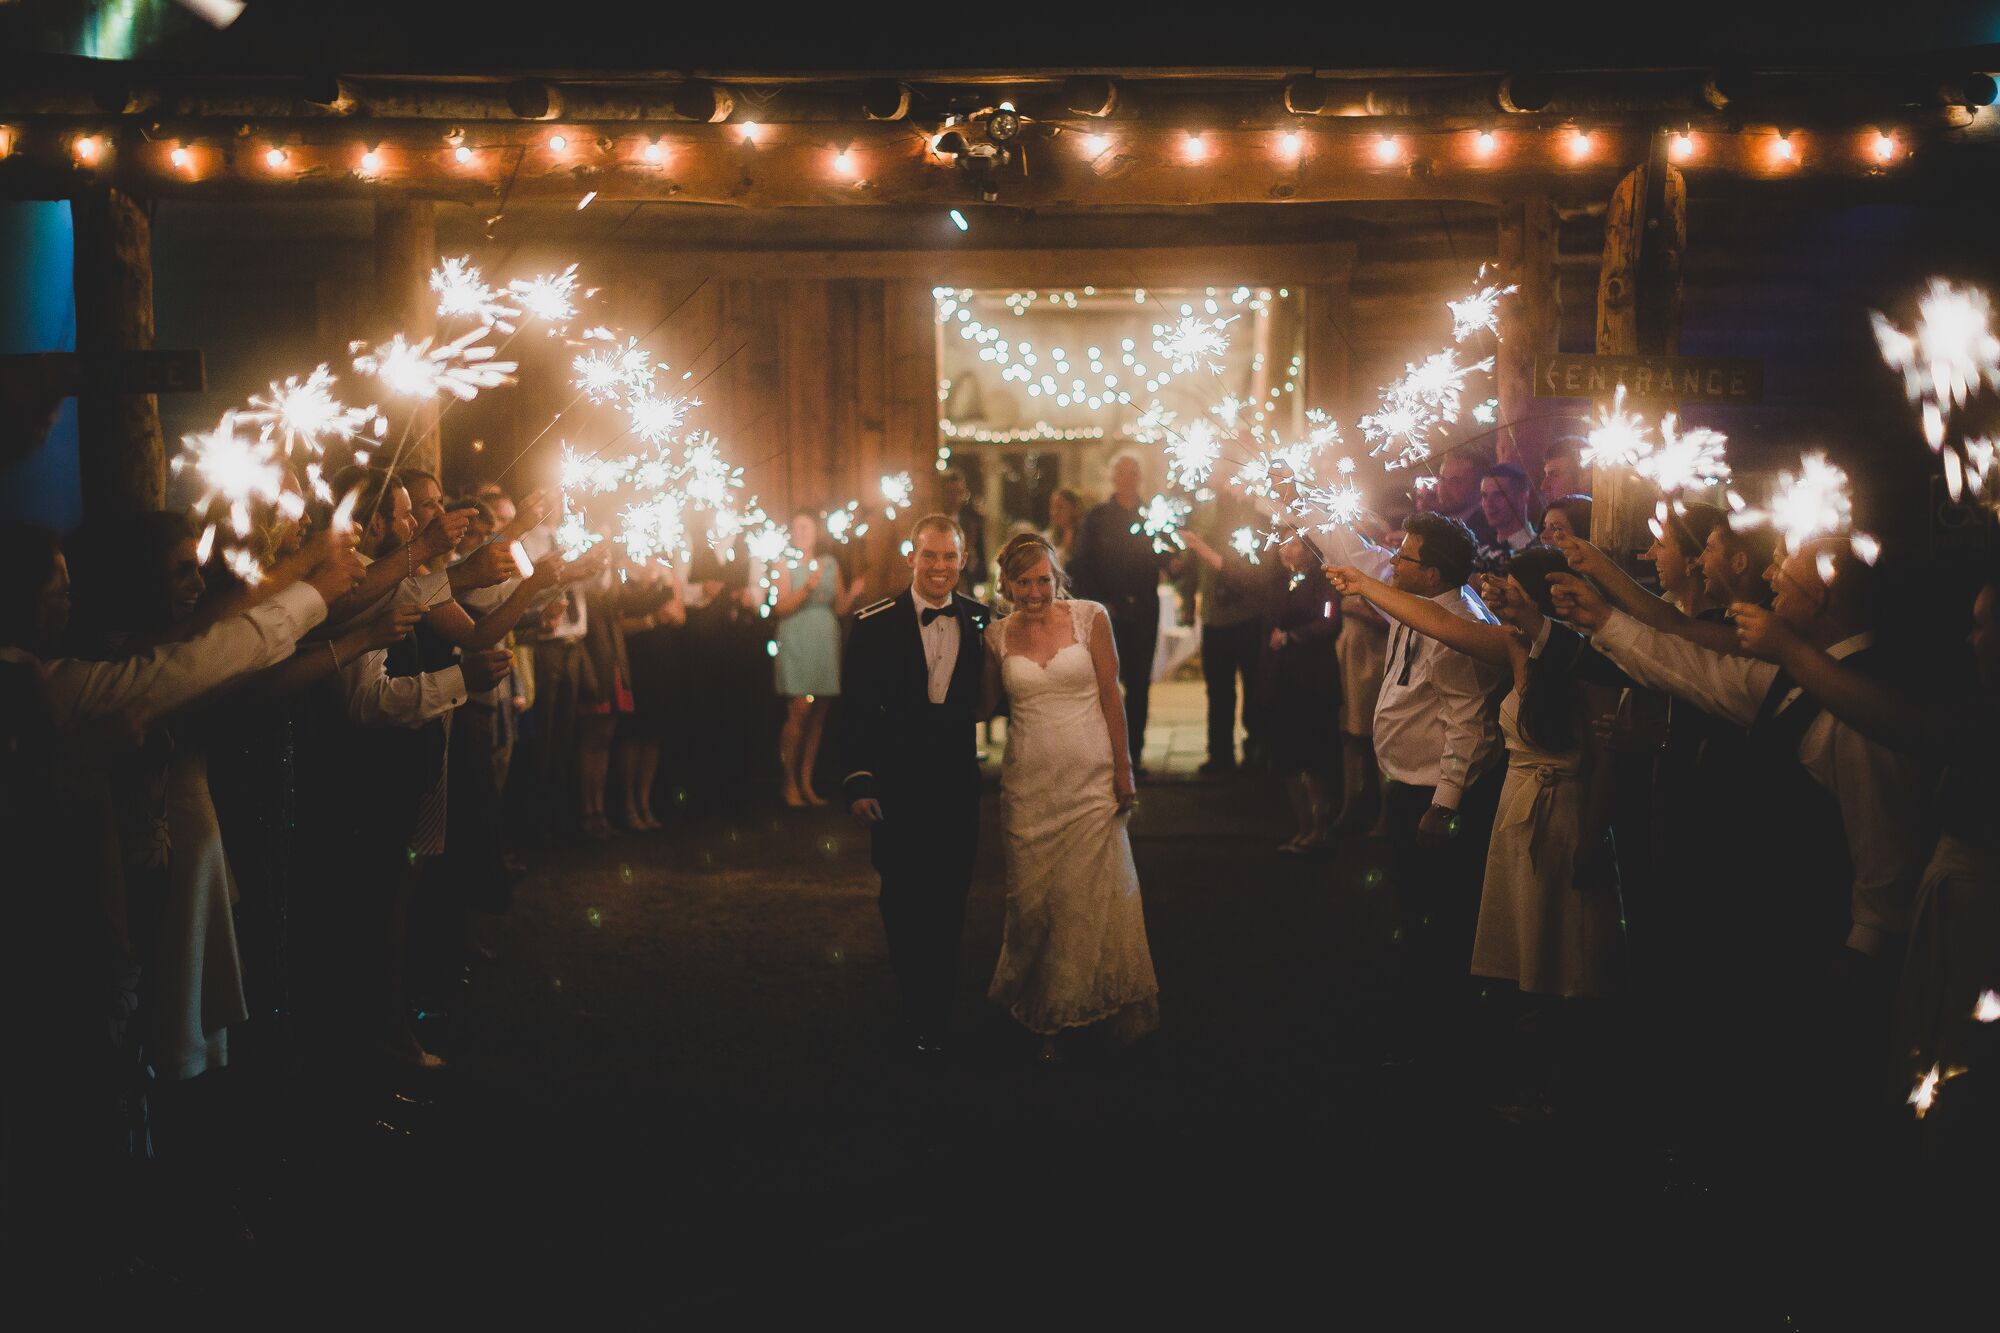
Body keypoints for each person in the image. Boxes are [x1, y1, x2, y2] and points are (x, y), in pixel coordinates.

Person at [1551, 539, 1931, 1151]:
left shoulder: (1862, 702)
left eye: (1789, 577)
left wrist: (1860, 952)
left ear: (1826, 597)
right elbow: (1701, 674)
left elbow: (1883, 849)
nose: (1773, 580)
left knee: (1800, 1110)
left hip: (1818, 945)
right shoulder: (1800, 678)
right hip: (1770, 932)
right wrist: (1605, 622)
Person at [1331, 548, 1628, 1113]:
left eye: (1510, 588)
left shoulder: (1587, 661)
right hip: (1514, 808)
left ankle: (1571, 1085)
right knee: (1525, 948)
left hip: (1562, 810)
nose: (1494, 594)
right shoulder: (1518, 647)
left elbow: (1603, 757)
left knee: (1566, 949)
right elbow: (1439, 622)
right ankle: (1531, 1070)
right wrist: (1364, 585)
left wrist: (1591, 838)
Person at [1733, 561, 1999, 1151]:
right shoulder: (1973, 706)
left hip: (1975, 932)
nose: (1970, 639)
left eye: (1984, 627)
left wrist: (1788, 648)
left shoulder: (1956, 717)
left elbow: (1908, 731)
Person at [984, 533, 1159, 1061]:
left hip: (1090, 780)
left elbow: (1111, 694)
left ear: (1056, 577)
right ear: (1007, 585)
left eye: (1043, 580)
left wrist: (1124, 771)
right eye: (1024, 583)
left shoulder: (1090, 618)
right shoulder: (994, 637)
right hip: (1028, 787)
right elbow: (977, 707)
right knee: (1034, 904)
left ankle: (1056, 1017)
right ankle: (1035, 997)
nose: (1035, 593)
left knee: (1087, 900)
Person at [1346, 512, 1508, 1055]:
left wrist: (1443, 805)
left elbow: (1470, 724)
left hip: (1435, 797)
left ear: (1433, 574)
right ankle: (1424, 1016)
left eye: (1406, 556)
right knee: (1414, 907)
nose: (1393, 560)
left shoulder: (1458, 624)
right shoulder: (1417, 605)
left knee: (1440, 915)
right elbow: (1358, 554)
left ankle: (1441, 1034)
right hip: (1409, 785)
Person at [839, 515, 991, 1058]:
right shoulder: (874, 622)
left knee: (949, 903)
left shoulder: (981, 622)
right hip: (897, 789)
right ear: (912, 557)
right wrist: (859, 781)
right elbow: (854, 709)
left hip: (955, 789)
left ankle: (936, 1017)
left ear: (963, 560)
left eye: (949, 557)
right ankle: (913, 1001)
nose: (940, 567)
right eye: (930, 556)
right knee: (902, 900)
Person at [1068, 454, 1172, 774]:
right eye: (1122, 473)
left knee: (1139, 684)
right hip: (1107, 612)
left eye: (1133, 472)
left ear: (1139, 477)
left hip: (1143, 609)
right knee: (1104, 681)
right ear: (1113, 477)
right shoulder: (1097, 518)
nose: (1127, 478)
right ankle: (1108, 752)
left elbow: (1169, 556)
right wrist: (1100, 603)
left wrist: (1177, 562)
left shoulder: (1154, 514)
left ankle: (1134, 754)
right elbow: (1080, 565)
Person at [772, 510, 867, 806]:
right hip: (797, 640)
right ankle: (788, 783)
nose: (801, 533)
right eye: (796, 527)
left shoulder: (830, 564)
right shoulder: (782, 564)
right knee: (799, 710)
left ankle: (806, 781)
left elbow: (839, 608)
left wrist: (852, 594)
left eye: (806, 528)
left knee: (818, 715)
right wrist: (807, 587)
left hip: (825, 642)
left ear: (815, 533)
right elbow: (780, 607)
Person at [1182, 501, 1275, 776]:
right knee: (1218, 689)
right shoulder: (1203, 512)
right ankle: (1220, 754)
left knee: (1252, 687)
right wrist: (1188, 600)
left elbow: (1250, 568)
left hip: (1247, 614)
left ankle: (1254, 752)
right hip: (1214, 615)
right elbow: (1191, 563)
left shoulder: (1256, 517)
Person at [1264, 533, 1342, 852]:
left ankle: (1318, 829)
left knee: (1314, 755)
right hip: (1286, 679)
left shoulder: (1322, 582)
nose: (1286, 549)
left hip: (1314, 679)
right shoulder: (1282, 581)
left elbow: (1329, 622)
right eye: (1283, 544)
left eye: (1294, 544)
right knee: (1288, 756)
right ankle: (1302, 827)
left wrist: (1292, 637)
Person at [1474, 463, 1537, 573]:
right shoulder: (1480, 554)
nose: (1489, 503)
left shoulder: (1541, 550)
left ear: (1523, 498)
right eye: (1484, 496)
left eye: (1498, 495)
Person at [1430, 448, 1499, 548]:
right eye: (1442, 478)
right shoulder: (1439, 524)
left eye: (1455, 481)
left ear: (1479, 487)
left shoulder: (1488, 531)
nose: (1444, 487)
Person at [938, 468, 988, 598]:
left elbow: (982, 570)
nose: (955, 498)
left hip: (964, 593)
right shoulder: (933, 522)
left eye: (959, 493)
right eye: (950, 492)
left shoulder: (972, 522)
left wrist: (973, 563)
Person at [1044, 486, 1083, 568]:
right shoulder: (1048, 538)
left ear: (1074, 509)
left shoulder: (1084, 536)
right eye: (1052, 507)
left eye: (1060, 507)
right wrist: (1065, 546)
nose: (1054, 512)